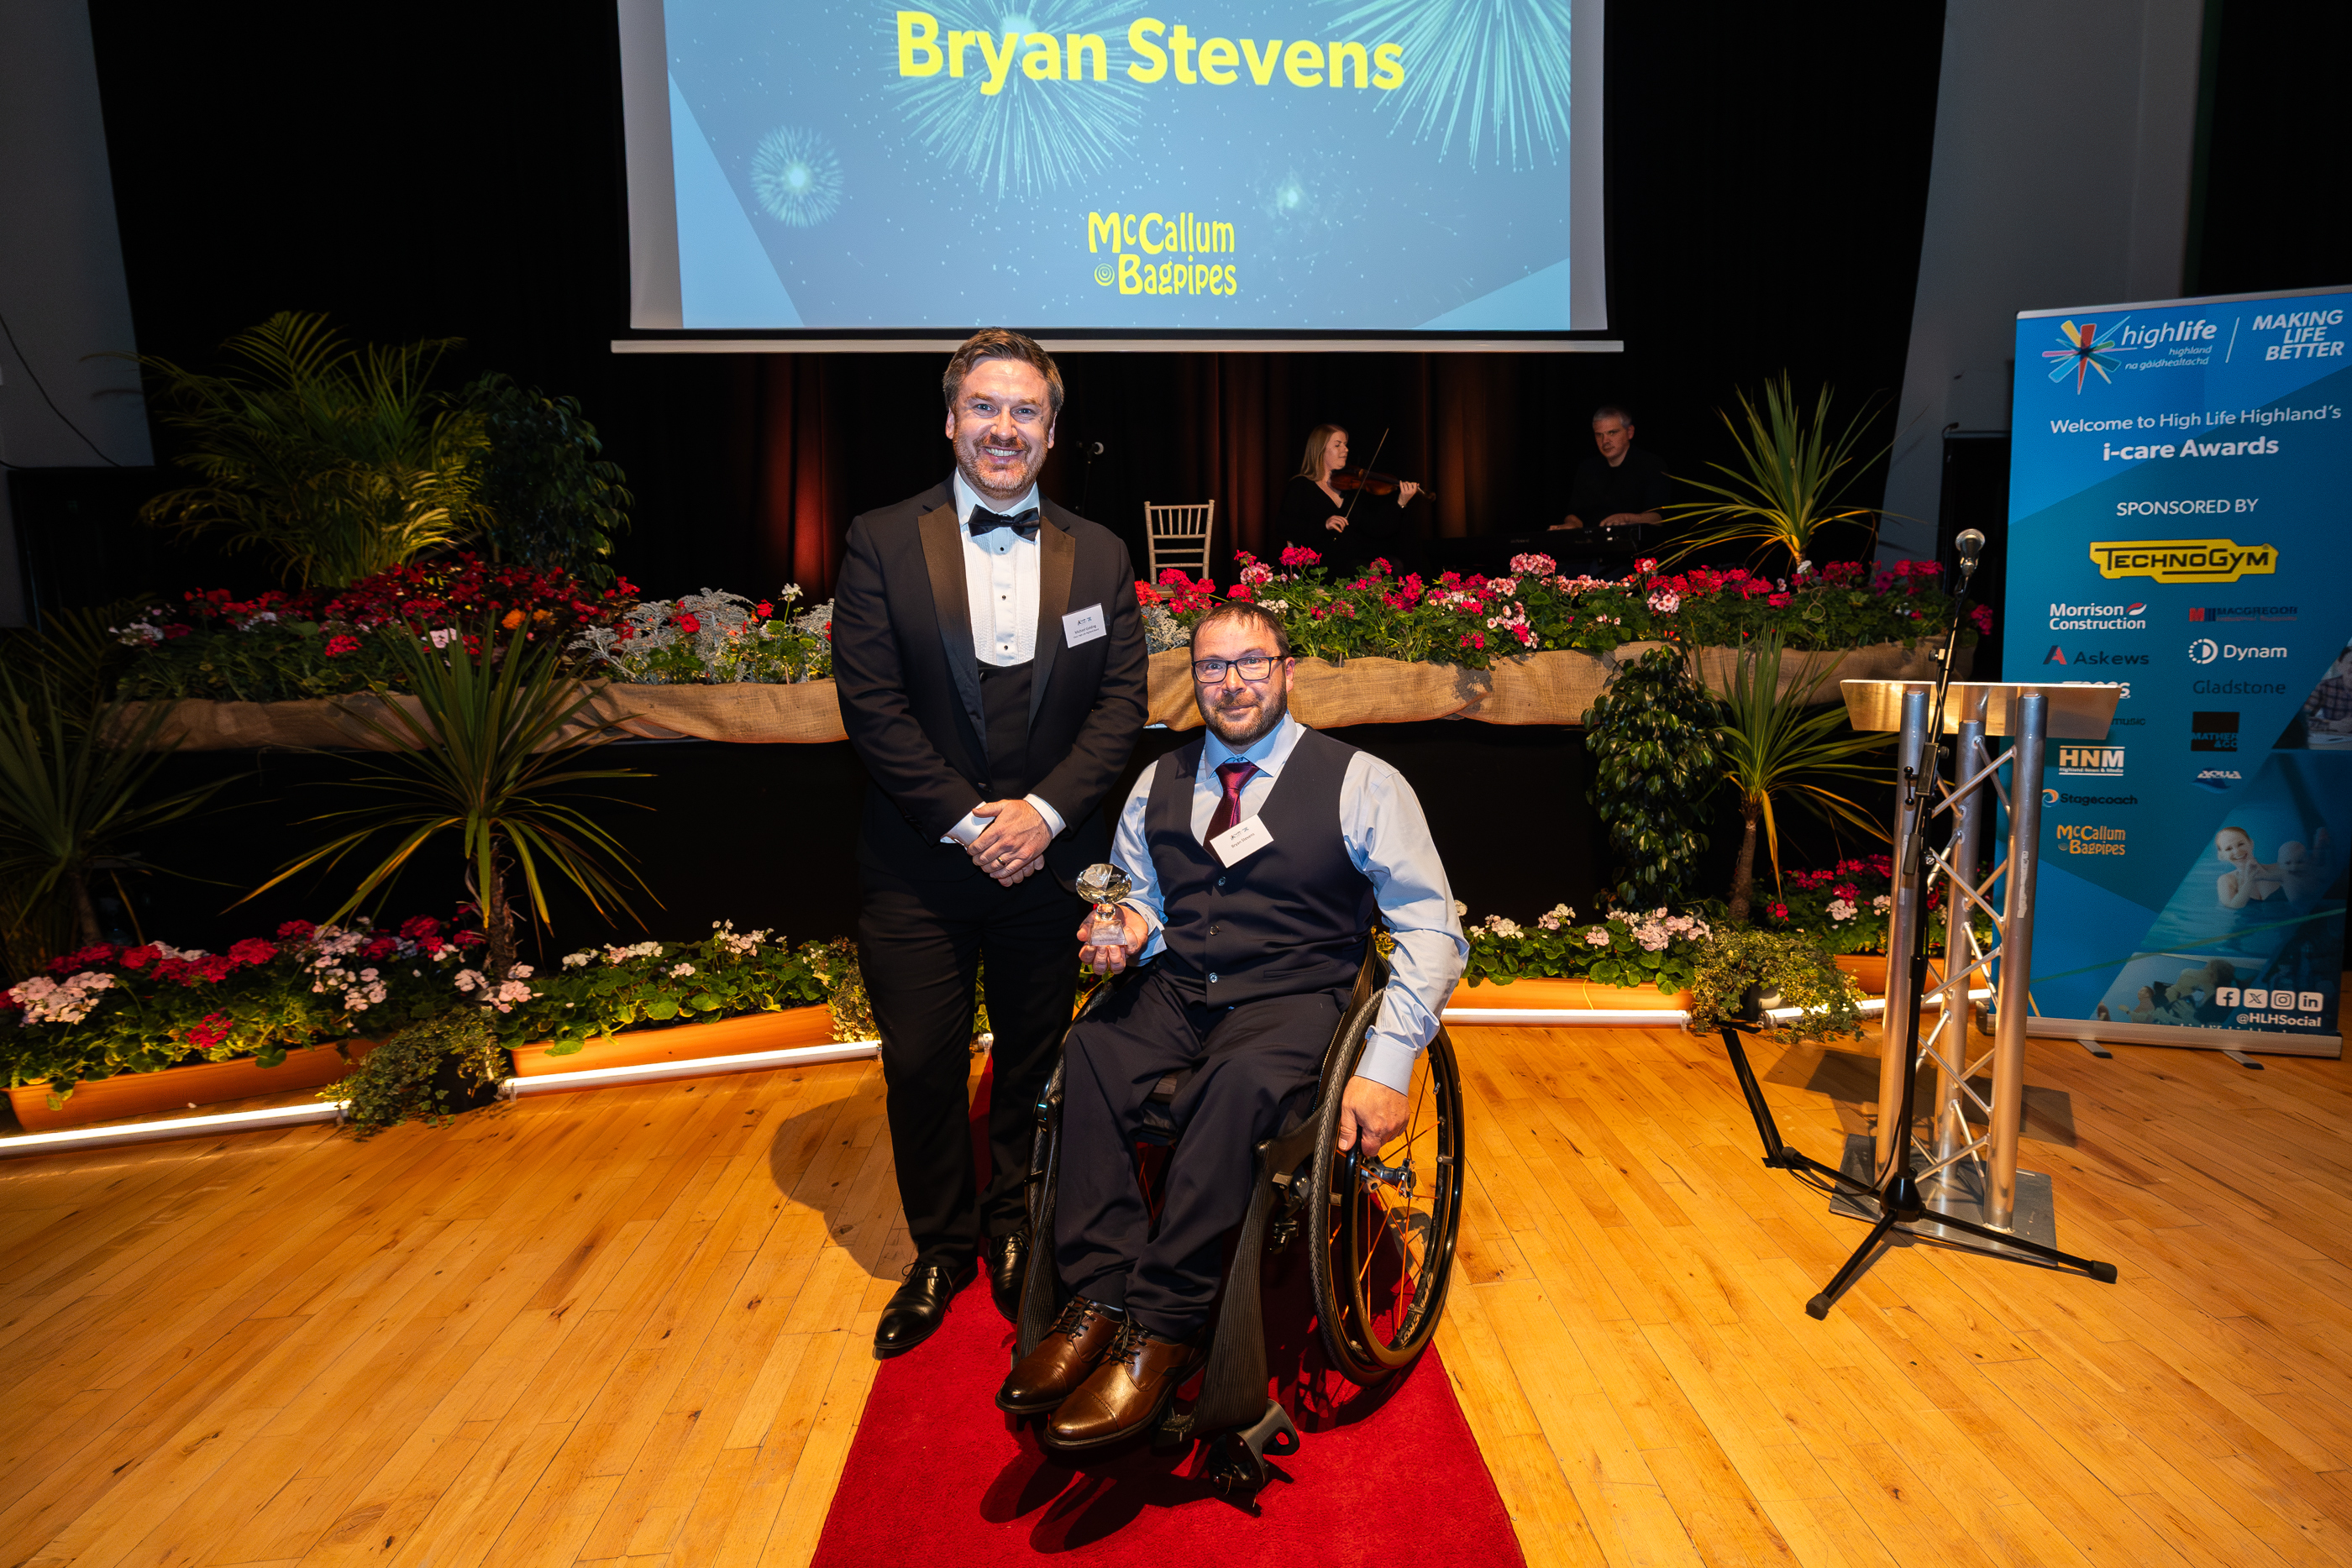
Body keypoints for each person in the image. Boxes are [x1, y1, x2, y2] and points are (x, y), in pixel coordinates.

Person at [994, 600, 1467, 1449]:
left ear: (1286, 670)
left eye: (1251, 662)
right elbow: (1141, 895)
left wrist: (1388, 1060)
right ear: (1195, 681)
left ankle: (1166, 1325)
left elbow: (1431, 929)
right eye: (1213, 666)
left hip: (1296, 993)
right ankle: (1101, 1294)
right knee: (1093, 1050)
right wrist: (1129, 928)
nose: (1232, 681)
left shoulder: (1362, 782)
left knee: (1237, 1083)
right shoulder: (1158, 782)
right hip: (1183, 983)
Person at [832, 328, 1149, 1359]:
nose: (1003, 428)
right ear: (950, 420)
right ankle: (939, 1246)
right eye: (984, 407)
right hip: (920, 864)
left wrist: (1042, 816)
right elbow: (873, 707)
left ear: (1051, 433)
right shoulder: (881, 539)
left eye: (1024, 412)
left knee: (1034, 1058)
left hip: (1047, 865)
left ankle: (1015, 1226)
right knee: (921, 1063)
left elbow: (1120, 705)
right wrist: (973, 823)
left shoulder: (1098, 553)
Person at [1274, 424, 1420, 574]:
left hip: (1354, 560)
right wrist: (1324, 525)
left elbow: (1377, 528)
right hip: (1319, 564)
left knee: (1394, 565)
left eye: (1345, 445)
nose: (1346, 449)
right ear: (1320, 449)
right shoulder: (1301, 485)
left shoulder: (1350, 488)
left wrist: (1401, 502)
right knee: (1361, 570)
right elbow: (1285, 527)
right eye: (1338, 445)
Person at [1549, 405, 1670, 541]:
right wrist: (1572, 524)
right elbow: (1574, 513)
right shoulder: (1587, 468)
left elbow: (1659, 517)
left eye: (1612, 433)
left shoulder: (1651, 464)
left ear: (1630, 432)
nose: (1605, 441)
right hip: (1592, 548)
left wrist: (1627, 519)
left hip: (1636, 548)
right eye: (1599, 435)